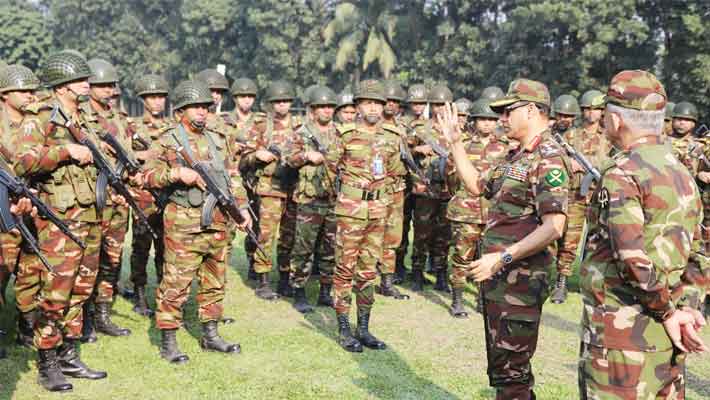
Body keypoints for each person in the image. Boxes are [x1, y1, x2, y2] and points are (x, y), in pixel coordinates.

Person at [578, 69, 709, 399]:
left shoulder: (622, 172)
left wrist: (668, 312)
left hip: (622, 339)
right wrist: (688, 308)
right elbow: (700, 251)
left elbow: (631, 257)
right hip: (669, 335)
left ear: (616, 120)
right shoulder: (682, 173)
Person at [441, 79, 570, 399]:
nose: (501, 119)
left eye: (507, 111)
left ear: (530, 110)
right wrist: (456, 144)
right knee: (504, 368)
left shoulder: (549, 157)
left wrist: (503, 256)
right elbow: (476, 186)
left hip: (521, 280)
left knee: (513, 370)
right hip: (502, 279)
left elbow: (554, 226)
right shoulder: (516, 156)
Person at [15, 49, 108, 392]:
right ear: (63, 86)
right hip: (59, 220)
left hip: (89, 215)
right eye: (81, 79)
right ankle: (48, 361)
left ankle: (69, 354)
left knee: (82, 290)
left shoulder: (82, 118)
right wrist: (65, 152)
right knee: (56, 292)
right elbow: (23, 162)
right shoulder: (38, 116)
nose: (88, 84)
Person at [143, 79, 251, 363]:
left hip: (217, 222)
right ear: (180, 110)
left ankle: (211, 335)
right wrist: (177, 174)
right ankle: (168, 340)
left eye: (205, 106)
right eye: (195, 107)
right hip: (183, 224)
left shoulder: (218, 139)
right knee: (176, 283)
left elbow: (233, 176)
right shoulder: (167, 139)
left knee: (215, 281)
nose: (202, 112)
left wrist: (242, 210)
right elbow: (145, 177)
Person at [326, 79, 400, 353]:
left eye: (377, 103)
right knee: (345, 268)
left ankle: (364, 328)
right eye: (367, 102)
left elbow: (392, 173)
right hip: (351, 211)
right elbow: (330, 169)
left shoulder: (392, 137)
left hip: (378, 212)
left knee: (368, 270)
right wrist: (349, 196)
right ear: (357, 106)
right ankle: (345, 328)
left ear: (384, 107)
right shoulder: (345, 135)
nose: (373, 108)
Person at [446, 97, 506, 317]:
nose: (487, 124)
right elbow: (451, 177)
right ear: (474, 121)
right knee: (462, 257)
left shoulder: (505, 148)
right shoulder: (462, 144)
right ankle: (458, 300)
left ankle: (484, 299)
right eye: (482, 119)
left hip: (493, 213)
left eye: (491, 120)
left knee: (489, 258)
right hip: (465, 212)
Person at [284, 86, 339, 312]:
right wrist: (306, 155)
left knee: (331, 248)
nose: (327, 111)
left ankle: (325, 291)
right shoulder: (301, 133)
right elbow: (288, 159)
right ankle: (299, 291)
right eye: (322, 107)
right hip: (309, 200)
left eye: (330, 107)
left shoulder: (340, 133)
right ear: (313, 110)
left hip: (334, 199)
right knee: (303, 248)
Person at [0, 64, 41, 348]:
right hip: (3, 210)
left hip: (32, 206)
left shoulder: (37, 123)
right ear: (5, 94)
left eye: (32, 90)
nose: (30, 95)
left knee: (32, 268)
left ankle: (27, 327)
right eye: (23, 91)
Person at [126, 73, 171, 317]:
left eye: (161, 97)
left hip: (167, 195)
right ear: (143, 99)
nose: (157, 101)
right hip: (142, 195)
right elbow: (123, 157)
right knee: (141, 246)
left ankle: (165, 294)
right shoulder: (132, 127)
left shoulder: (173, 127)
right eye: (152, 97)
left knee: (166, 247)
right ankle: (140, 294)